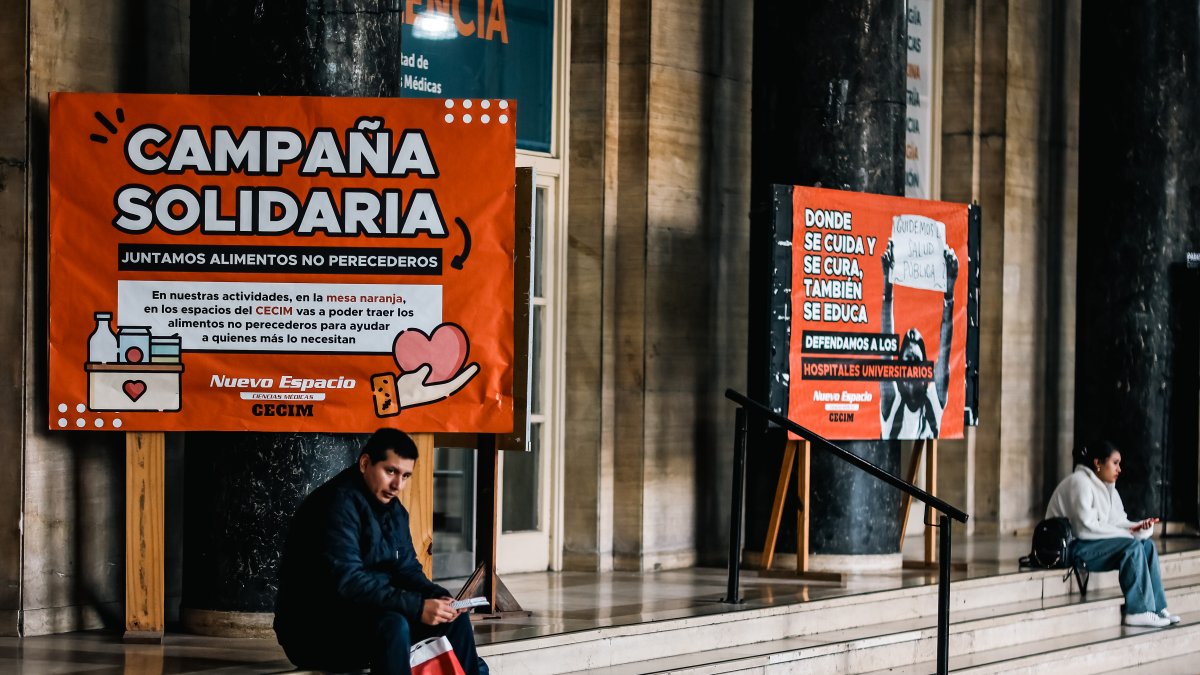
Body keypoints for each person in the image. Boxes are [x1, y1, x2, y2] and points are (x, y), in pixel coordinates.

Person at [274, 428, 489, 674]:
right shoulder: (335, 505)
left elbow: (407, 570)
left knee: (454, 620)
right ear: (365, 463)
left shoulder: (394, 510)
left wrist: (441, 599)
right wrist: (417, 607)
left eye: (406, 476)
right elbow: (349, 583)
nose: (398, 485)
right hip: (315, 630)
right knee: (393, 624)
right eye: (391, 471)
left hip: (364, 617)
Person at [1046, 440, 1180, 628]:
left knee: (1146, 546)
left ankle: (1156, 608)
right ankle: (1138, 611)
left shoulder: (1108, 487)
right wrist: (1128, 533)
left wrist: (1139, 527)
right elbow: (1085, 528)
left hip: (1090, 544)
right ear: (1098, 463)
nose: (1119, 469)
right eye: (1115, 463)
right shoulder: (1079, 482)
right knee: (1132, 546)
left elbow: (1118, 521)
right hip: (1070, 548)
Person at [879, 240, 957, 439]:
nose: (912, 372)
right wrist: (888, 285)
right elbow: (886, 353)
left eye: (915, 362)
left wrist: (949, 293)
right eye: (907, 362)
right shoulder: (892, 400)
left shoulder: (934, 400)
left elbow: (944, 350)